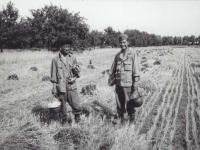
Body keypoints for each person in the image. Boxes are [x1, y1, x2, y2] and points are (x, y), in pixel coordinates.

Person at [109, 33, 141, 124]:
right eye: (120, 42)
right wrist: (110, 77)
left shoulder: (133, 54)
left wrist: (136, 82)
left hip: (128, 83)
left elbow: (136, 68)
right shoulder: (118, 55)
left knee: (130, 102)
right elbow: (112, 68)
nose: (122, 44)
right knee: (119, 101)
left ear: (128, 42)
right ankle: (121, 117)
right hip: (118, 83)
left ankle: (132, 119)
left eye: (124, 42)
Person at [50, 42, 82, 124]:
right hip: (60, 85)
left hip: (71, 85)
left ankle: (78, 120)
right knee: (62, 106)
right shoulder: (55, 59)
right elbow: (53, 75)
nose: (67, 48)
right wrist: (54, 88)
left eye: (69, 46)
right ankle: (64, 122)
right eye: (65, 46)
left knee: (76, 104)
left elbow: (77, 73)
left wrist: (74, 78)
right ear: (61, 47)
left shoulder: (73, 58)